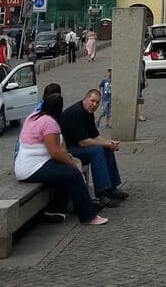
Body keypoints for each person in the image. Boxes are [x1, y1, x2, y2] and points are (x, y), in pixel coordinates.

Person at [13, 87, 107, 225]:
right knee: (73, 174)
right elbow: (55, 152)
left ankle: (55, 209)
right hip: (33, 167)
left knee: (65, 173)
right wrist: (73, 164)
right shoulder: (49, 123)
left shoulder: (33, 117)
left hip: (25, 165)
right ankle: (88, 216)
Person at [58, 90, 129, 205]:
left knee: (106, 148)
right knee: (97, 151)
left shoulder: (88, 112)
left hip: (78, 146)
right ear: (85, 99)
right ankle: (102, 192)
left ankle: (111, 188)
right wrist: (105, 144)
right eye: (92, 101)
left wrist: (109, 143)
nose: (95, 105)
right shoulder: (76, 113)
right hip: (68, 150)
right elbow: (82, 142)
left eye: (97, 103)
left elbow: (94, 136)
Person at [137, 56, 147, 121]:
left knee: (140, 99)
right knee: (139, 99)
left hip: (140, 83)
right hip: (136, 83)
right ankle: (139, 115)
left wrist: (146, 80)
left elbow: (144, 72)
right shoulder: (135, 62)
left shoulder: (143, 62)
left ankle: (139, 115)